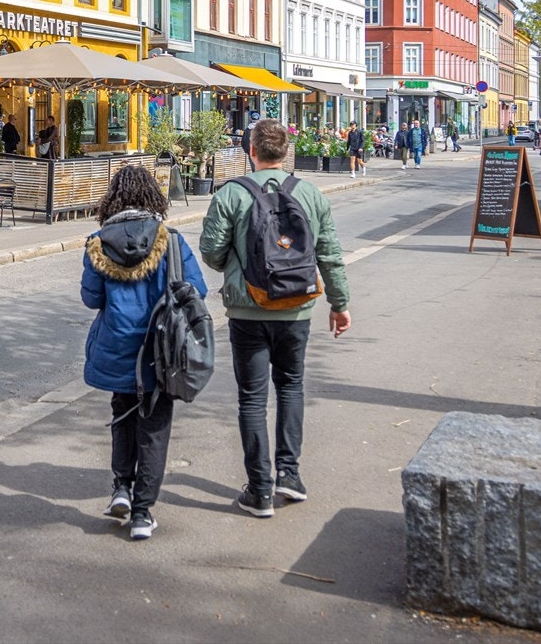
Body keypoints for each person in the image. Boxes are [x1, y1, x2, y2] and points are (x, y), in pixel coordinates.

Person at [199, 119, 351, 518]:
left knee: (251, 398)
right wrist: (339, 304)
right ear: (286, 152)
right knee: (291, 387)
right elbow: (330, 254)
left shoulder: (231, 194)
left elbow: (211, 251)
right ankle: (289, 475)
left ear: (252, 151)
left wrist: (238, 265)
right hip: (297, 308)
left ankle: (260, 490)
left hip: (247, 308)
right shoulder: (311, 195)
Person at [81, 164, 207, 541]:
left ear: (113, 198)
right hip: (161, 350)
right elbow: (194, 289)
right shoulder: (171, 240)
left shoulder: (98, 241)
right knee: (153, 426)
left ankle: (121, 487)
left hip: (118, 346)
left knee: (122, 413)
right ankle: (142, 512)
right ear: (154, 196)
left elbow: (90, 299)